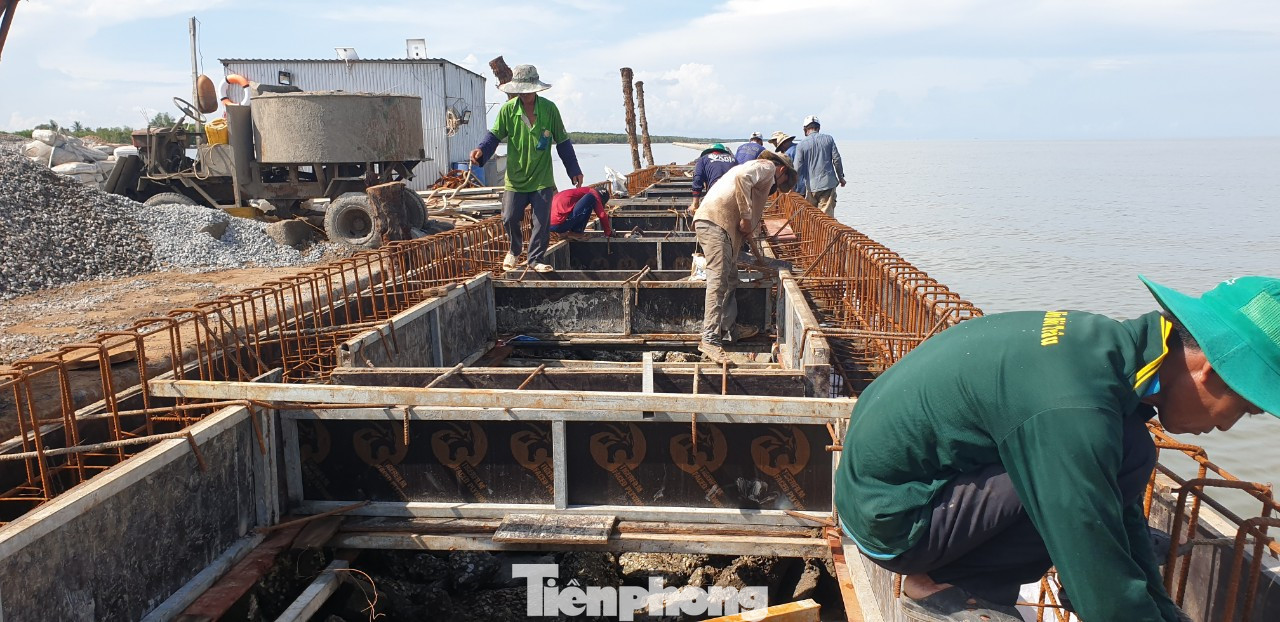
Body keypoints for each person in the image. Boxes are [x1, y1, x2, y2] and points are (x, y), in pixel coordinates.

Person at [834, 275, 1280, 622]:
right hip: (894, 518)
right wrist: (1105, 587)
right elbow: (1089, 543)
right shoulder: (1073, 406)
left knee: (1129, 451)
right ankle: (951, 586)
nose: (1225, 424)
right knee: (1084, 498)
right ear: (1210, 373)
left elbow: (1116, 510)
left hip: (897, 488)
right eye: (1242, 408)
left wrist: (1159, 607)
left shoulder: (1109, 348)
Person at [470, 64, 583, 273]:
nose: (526, 94)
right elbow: (493, 137)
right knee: (509, 216)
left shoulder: (549, 110)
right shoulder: (508, 110)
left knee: (541, 222)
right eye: (522, 90)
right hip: (516, 177)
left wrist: (573, 169)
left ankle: (536, 259)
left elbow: (563, 142)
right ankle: (514, 250)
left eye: (529, 89)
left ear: (536, 88)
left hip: (542, 178)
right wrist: (481, 152)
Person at [691, 150, 796, 365]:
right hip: (715, 222)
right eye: (784, 181)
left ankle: (729, 327)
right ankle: (709, 339)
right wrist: (746, 219)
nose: (777, 188)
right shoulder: (767, 167)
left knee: (731, 278)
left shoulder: (755, 171)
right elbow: (742, 180)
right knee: (718, 280)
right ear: (782, 170)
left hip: (719, 224)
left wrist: (755, 244)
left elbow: (747, 222)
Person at [793, 115, 845, 217]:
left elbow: (797, 168)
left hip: (811, 186)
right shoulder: (829, 139)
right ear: (819, 128)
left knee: (812, 217)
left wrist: (792, 186)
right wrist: (841, 178)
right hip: (828, 184)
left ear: (805, 129)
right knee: (826, 218)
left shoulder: (801, 145)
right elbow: (837, 159)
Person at [689, 143, 737, 212]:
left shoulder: (703, 159)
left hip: (715, 193)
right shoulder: (734, 159)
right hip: (733, 194)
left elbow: (698, 179)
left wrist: (695, 204)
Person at [768, 131, 805, 195]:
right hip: (805, 184)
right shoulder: (800, 147)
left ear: (784, 143)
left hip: (796, 186)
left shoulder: (788, 154)